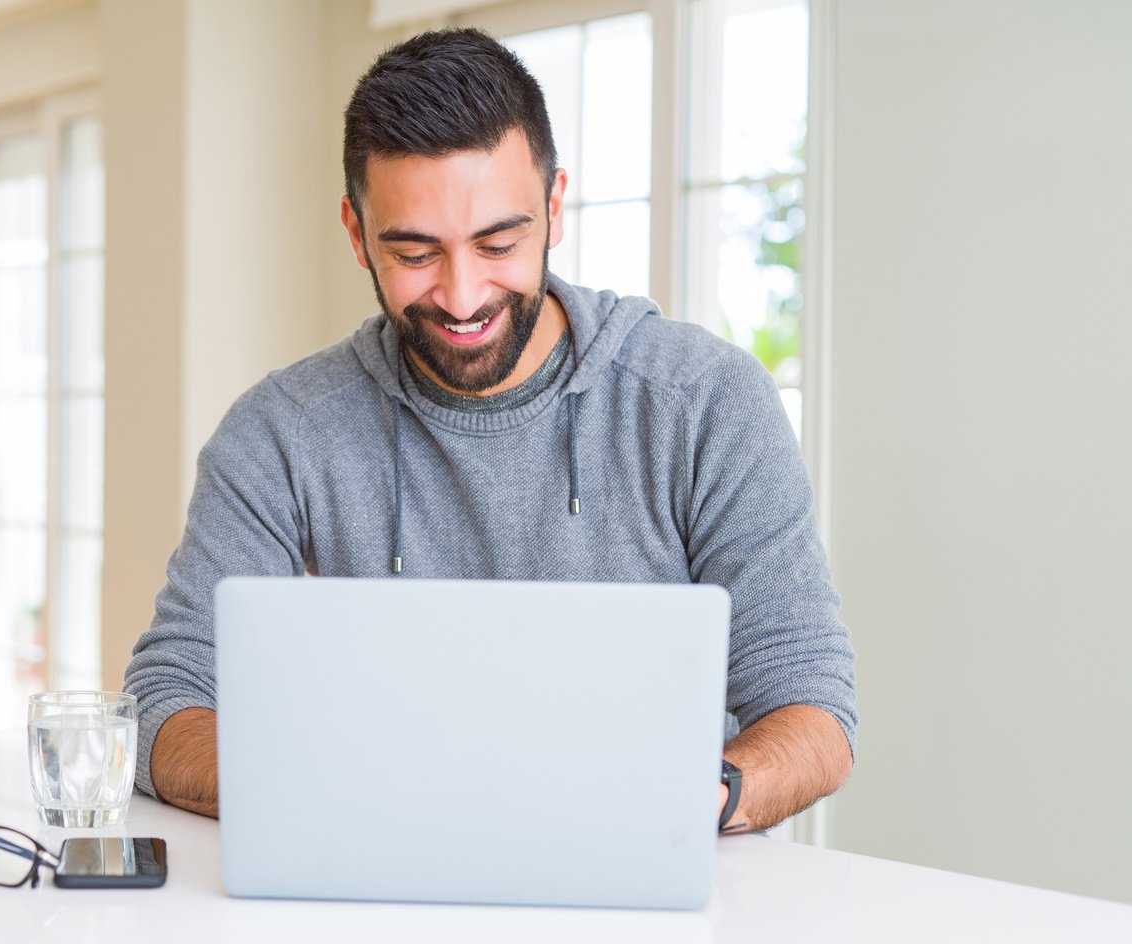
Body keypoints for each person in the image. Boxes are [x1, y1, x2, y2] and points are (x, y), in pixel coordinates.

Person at [124, 27, 855, 833]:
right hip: (377, 868)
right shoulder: (282, 432)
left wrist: (688, 802)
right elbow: (171, 693)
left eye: (497, 243)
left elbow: (810, 705)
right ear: (355, 230)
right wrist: (328, 788)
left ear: (553, 207)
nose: (462, 294)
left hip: (647, 882)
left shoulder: (703, 402)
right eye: (414, 253)